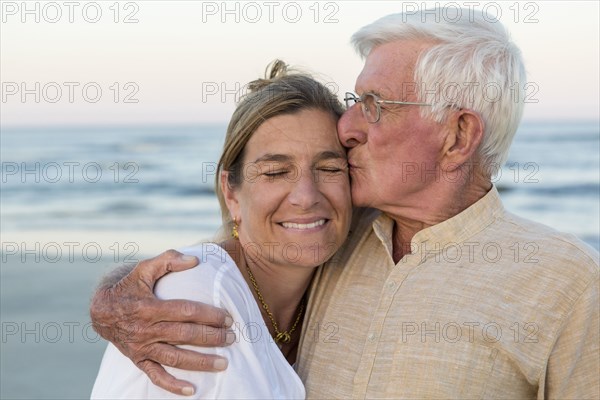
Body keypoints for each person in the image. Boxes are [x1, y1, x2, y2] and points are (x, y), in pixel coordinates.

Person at [90, 7, 600, 399]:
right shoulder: (337, 231)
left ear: (459, 134)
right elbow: (234, 258)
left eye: (375, 105)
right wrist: (118, 295)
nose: (348, 127)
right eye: (355, 103)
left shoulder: (566, 281)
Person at [90, 60, 352, 398]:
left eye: (330, 168)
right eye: (274, 172)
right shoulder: (196, 304)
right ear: (232, 193)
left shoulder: (345, 263)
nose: (307, 197)